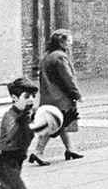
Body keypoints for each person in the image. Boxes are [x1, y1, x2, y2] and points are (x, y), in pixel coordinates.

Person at [30, 29, 82, 165]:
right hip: (60, 99)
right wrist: (77, 94)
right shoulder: (60, 57)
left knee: (60, 123)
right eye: (68, 40)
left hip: (48, 97)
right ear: (61, 42)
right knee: (54, 123)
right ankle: (38, 152)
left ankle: (70, 149)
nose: (70, 44)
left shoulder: (47, 56)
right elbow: (68, 78)